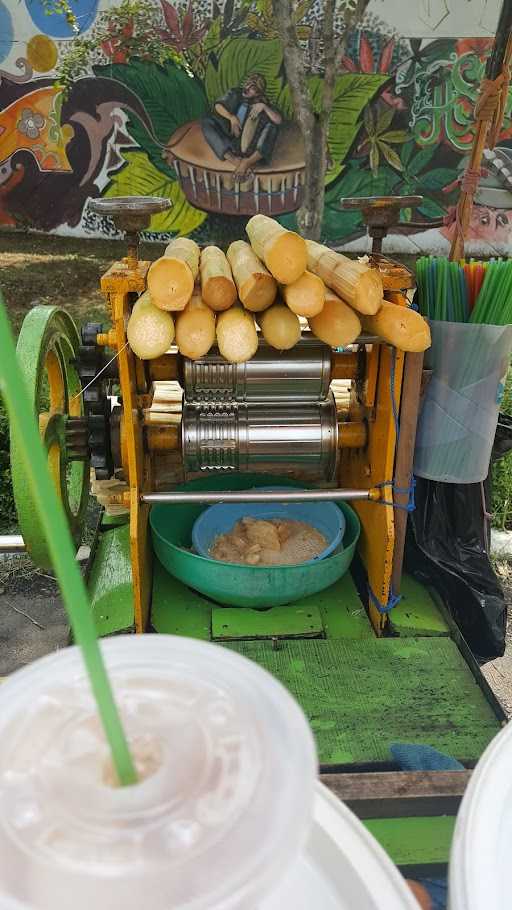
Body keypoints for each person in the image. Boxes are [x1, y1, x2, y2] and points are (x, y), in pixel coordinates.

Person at [201, 73, 282, 179]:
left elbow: (278, 120)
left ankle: (247, 162)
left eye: (252, 88)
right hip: (230, 139)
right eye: (247, 84)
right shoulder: (236, 93)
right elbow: (218, 106)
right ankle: (235, 161)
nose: (247, 88)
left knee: (272, 127)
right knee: (207, 122)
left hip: (251, 147)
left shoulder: (262, 103)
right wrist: (231, 118)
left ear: (259, 93)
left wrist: (264, 107)